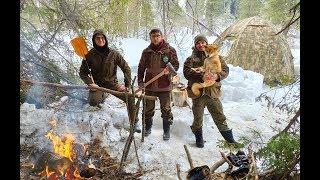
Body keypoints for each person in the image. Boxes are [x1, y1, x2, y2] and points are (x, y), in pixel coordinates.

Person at [79, 29, 141, 133]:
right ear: (94, 40)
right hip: (98, 86)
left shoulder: (114, 53)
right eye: (97, 38)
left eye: (102, 38)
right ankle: (102, 96)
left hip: (113, 85)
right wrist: (91, 83)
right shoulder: (89, 55)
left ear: (105, 39)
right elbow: (82, 72)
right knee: (93, 102)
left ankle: (134, 121)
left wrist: (127, 85)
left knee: (129, 97)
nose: (100, 40)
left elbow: (126, 68)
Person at [183, 35, 237, 148]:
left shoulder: (218, 57)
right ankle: (199, 138)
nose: (201, 44)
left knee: (219, 116)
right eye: (198, 43)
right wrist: (202, 76)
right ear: (195, 45)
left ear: (206, 44)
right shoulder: (190, 59)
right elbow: (187, 73)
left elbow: (225, 70)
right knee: (198, 118)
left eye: (203, 42)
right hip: (198, 93)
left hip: (212, 92)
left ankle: (230, 140)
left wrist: (217, 76)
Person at [137, 28, 179, 140]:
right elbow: (141, 68)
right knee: (148, 109)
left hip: (164, 85)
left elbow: (175, 66)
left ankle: (166, 131)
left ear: (162, 36)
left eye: (158, 36)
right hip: (150, 85)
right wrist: (140, 82)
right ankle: (147, 128)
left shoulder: (170, 50)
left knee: (166, 109)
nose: (155, 38)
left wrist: (169, 70)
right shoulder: (146, 52)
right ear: (150, 37)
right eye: (153, 36)